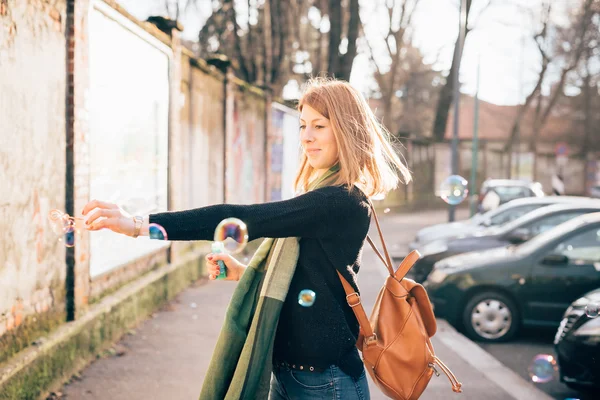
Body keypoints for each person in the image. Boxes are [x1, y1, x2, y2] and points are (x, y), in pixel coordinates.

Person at [82, 77, 411, 400]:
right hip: (291, 372)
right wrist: (244, 272)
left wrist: (139, 223)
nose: (307, 137)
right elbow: (312, 281)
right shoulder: (323, 195)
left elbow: (242, 216)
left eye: (319, 126)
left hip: (325, 382)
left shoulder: (337, 201)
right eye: (302, 125)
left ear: (346, 129)